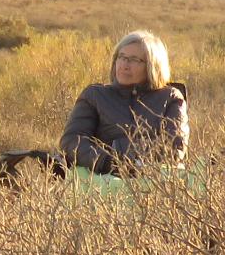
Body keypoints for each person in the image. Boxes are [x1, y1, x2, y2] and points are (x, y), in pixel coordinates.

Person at [60, 30, 188, 188]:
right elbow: (72, 141)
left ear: (152, 66)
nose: (124, 65)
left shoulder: (170, 97)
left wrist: (132, 159)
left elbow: (175, 147)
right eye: (121, 57)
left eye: (134, 60)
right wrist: (110, 161)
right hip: (103, 182)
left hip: (155, 184)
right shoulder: (95, 95)